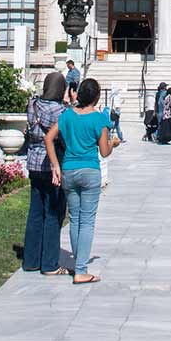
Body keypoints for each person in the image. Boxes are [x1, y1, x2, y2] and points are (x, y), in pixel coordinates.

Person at [45, 77, 117, 285]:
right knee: (87, 221)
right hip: (89, 171)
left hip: (68, 169)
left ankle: (79, 264)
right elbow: (104, 152)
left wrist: (55, 166)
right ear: (96, 97)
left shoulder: (67, 115)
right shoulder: (99, 119)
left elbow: (48, 138)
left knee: (75, 219)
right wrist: (113, 142)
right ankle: (81, 270)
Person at [24, 72, 68, 275]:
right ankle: (50, 263)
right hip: (53, 166)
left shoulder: (32, 105)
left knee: (35, 212)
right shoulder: (60, 111)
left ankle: (31, 261)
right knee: (53, 213)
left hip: (33, 163)